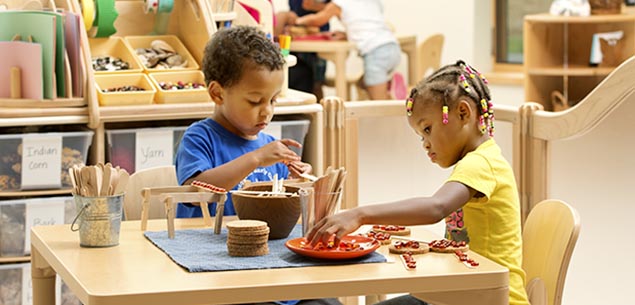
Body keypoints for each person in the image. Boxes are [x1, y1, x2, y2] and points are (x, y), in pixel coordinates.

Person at [306, 60, 530, 305]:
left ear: (463, 113)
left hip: (491, 299)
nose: (425, 143)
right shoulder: (480, 161)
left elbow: (436, 208)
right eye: (420, 135)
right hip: (463, 295)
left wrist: (359, 215)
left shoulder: (482, 163)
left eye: (427, 129)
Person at [174, 25, 341, 305]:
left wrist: (298, 184)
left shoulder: (267, 145)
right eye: (255, 100)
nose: (267, 110)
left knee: (327, 302)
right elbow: (193, 193)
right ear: (217, 93)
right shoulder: (200, 137)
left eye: (273, 100)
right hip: (221, 275)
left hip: (272, 271)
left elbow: (280, 215)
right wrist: (256, 159)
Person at [294, 0, 400, 100]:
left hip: (376, 54)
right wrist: (347, 34)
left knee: (379, 102)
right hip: (392, 47)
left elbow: (317, 20)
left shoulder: (339, 3)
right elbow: (366, 23)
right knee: (362, 84)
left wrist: (296, 20)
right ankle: (389, 87)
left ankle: (388, 95)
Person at [274, 0, 331, 101]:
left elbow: (337, 8)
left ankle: (319, 113)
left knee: (317, 83)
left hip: (317, 38)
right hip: (295, 36)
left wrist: (316, 7)